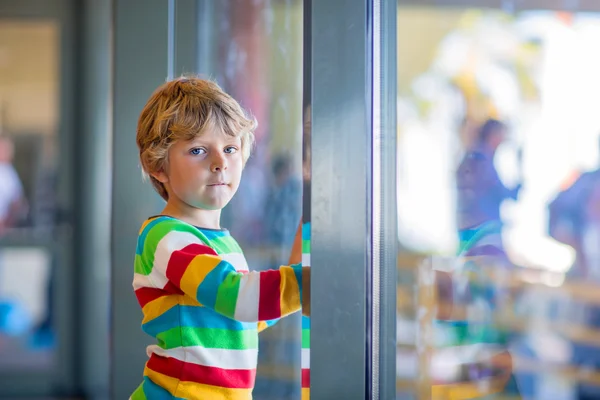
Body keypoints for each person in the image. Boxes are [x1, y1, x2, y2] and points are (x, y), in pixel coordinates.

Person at [130, 77, 310, 400]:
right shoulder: (164, 236)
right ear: (157, 165)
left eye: (230, 148)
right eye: (198, 150)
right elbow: (237, 298)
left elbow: (242, 318)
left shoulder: (222, 243)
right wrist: (302, 283)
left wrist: (303, 247)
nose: (220, 162)